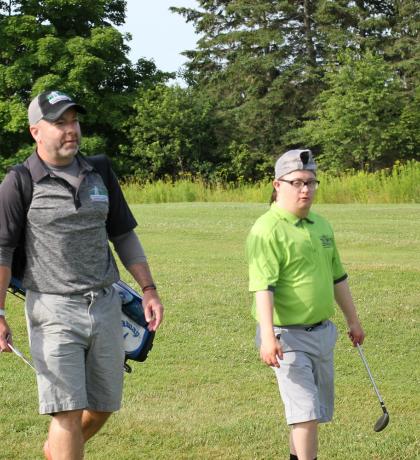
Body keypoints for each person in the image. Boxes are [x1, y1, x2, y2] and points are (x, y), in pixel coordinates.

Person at [0, 90, 164, 460]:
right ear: (35, 131)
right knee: (67, 411)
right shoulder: (19, 182)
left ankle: (56, 450)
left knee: (104, 404)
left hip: (106, 304)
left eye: (74, 121)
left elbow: (122, 233)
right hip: (52, 309)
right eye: (60, 122)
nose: (71, 129)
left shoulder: (100, 171)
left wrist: (149, 289)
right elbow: (2, 252)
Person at [246, 149, 364, 460]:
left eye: (311, 183)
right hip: (287, 337)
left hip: (322, 334)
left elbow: (337, 276)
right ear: (277, 184)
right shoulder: (266, 229)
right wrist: (269, 337)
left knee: (308, 414)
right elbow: (263, 288)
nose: (305, 190)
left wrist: (353, 320)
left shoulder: (321, 225)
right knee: (306, 413)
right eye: (297, 182)